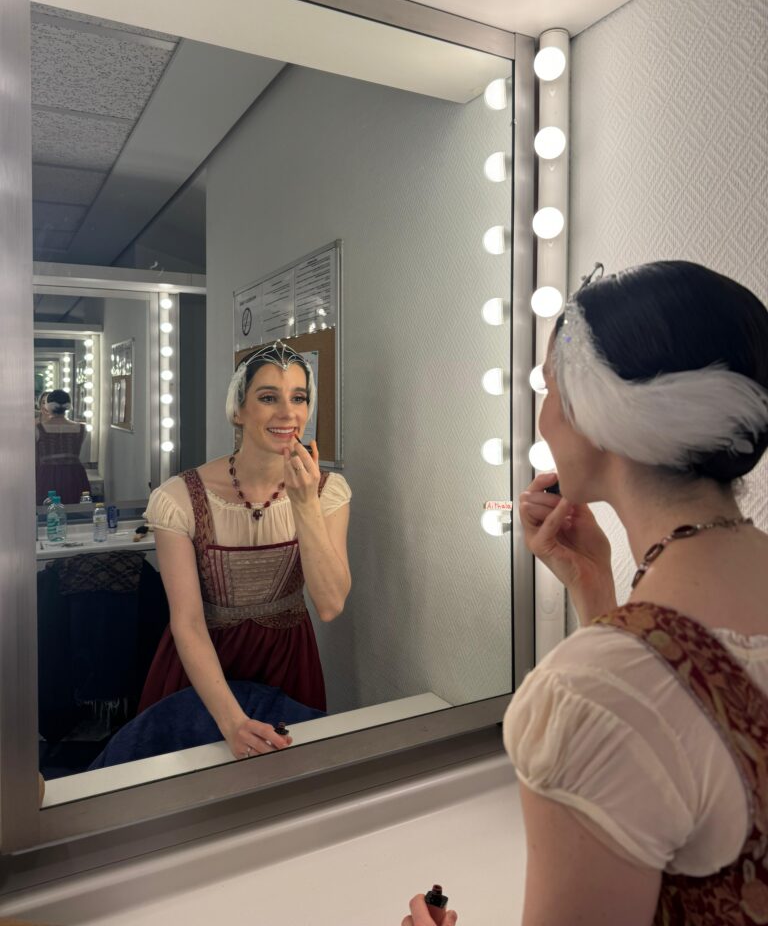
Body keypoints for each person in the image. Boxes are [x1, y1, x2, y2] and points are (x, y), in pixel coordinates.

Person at [401, 260, 768, 926]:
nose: (541, 415)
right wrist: (594, 588)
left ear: (600, 416)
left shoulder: (587, 696)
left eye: (549, 388)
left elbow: (641, 714)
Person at [139, 340, 352, 760]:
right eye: (268, 397)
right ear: (238, 409)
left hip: (288, 659)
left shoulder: (329, 493)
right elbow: (187, 621)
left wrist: (305, 505)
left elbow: (329, 605)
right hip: (202, 666)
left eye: (299, 398)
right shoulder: (179, 497)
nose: (287, 413)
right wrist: (232, 721)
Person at [35, 389, 91, 504]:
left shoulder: (38, 429)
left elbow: (33, 459)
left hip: (46, 475)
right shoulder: (82, 429)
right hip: (74, 475)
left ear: (48, 406)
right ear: (68, 406)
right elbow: (85, 458)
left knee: (48, 513)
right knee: (76, 513)